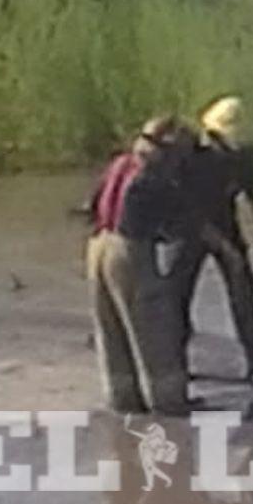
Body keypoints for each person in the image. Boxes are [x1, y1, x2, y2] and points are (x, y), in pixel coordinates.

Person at [178, 96, 253, 388]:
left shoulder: (246, 162)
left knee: (243, 293)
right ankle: (175, 364)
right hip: (189, 228)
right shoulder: (192, 158)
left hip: (226, 224)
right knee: (177, 296)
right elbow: (183, 205)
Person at [88, 116, 194, 415]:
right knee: (154, 328)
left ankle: (123, 401)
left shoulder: (120, 164)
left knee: (111, 331)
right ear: (167, 149)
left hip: (98, 246)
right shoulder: (153, 179)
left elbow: (92, 206)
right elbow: (176, 228)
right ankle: (169, 404)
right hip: (129, 252)